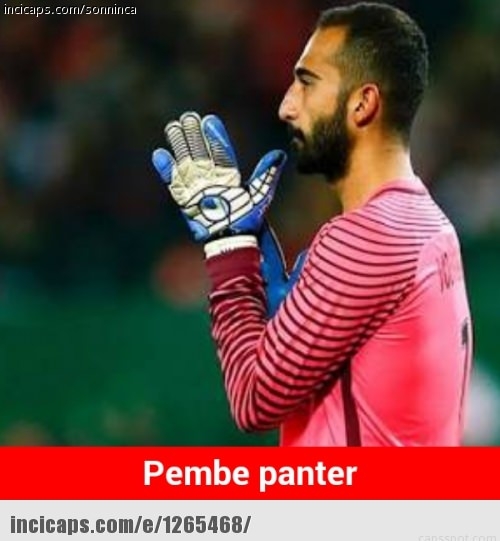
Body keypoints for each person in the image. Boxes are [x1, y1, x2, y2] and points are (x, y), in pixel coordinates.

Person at [151, 2, 472, 446]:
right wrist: (285, 322)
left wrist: (227, 247)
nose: (287, 106)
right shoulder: (430, 224)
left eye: (307, 82)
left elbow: (253, 400)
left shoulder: (364, 238)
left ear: (363, 103)